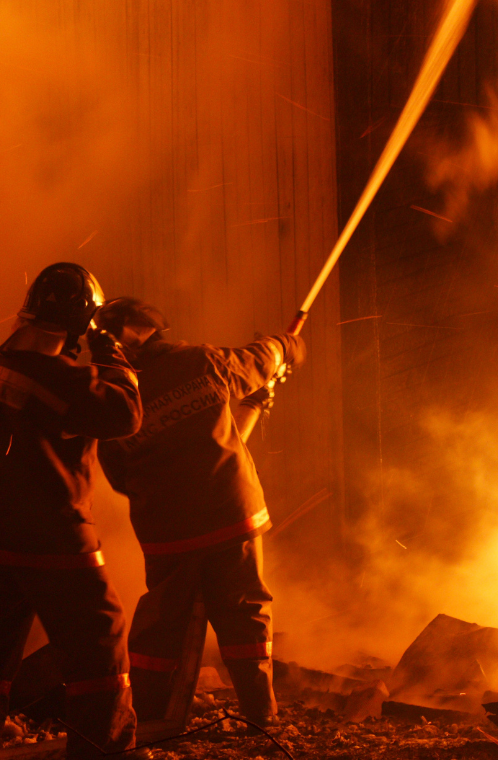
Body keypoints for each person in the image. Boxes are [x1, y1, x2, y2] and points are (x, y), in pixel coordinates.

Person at [0, 263, 142, 758]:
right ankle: (104, 750)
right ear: (79, 325)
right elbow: (124, 414)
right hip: (54, 537)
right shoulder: (57, 379)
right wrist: (111, 354)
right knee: (101, 639)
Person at [94, 297, 305, 728]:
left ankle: (147, 718)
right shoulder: (200, 362)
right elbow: (258, 359)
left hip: (167, 531)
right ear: (153, 329)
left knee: (160, 626)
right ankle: (260, 714)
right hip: (230, 516)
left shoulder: (113, 398)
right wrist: (287, 346)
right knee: (245, 614)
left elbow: (118, 476)